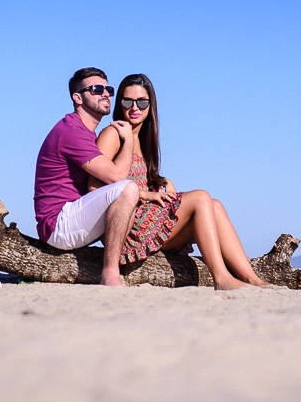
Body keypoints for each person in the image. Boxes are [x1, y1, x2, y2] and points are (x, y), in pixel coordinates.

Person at [91, 73, 272, 290]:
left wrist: (159, 186)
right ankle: (221, 278)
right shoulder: (113, 134)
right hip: (127, 230)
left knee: (215, 206)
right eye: (127, 101)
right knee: (201, 197)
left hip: (149, 224)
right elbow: (94, 188)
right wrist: (143, 194)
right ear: (119, 103)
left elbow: (140, 178)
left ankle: (252, 279)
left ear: (151, 105)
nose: (134, 107)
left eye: (142, 102)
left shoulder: (143, 137)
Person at [33, 67, 140, 287]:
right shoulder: (71, 131)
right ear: (77, 97)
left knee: (133, 194)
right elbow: (118, 177)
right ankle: (110, 273)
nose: (106, 94)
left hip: (73, 215)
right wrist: (128, 140)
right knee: (128, 188)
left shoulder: (85, 132)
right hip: (58, 223)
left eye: (108, 89)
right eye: (97, 89)